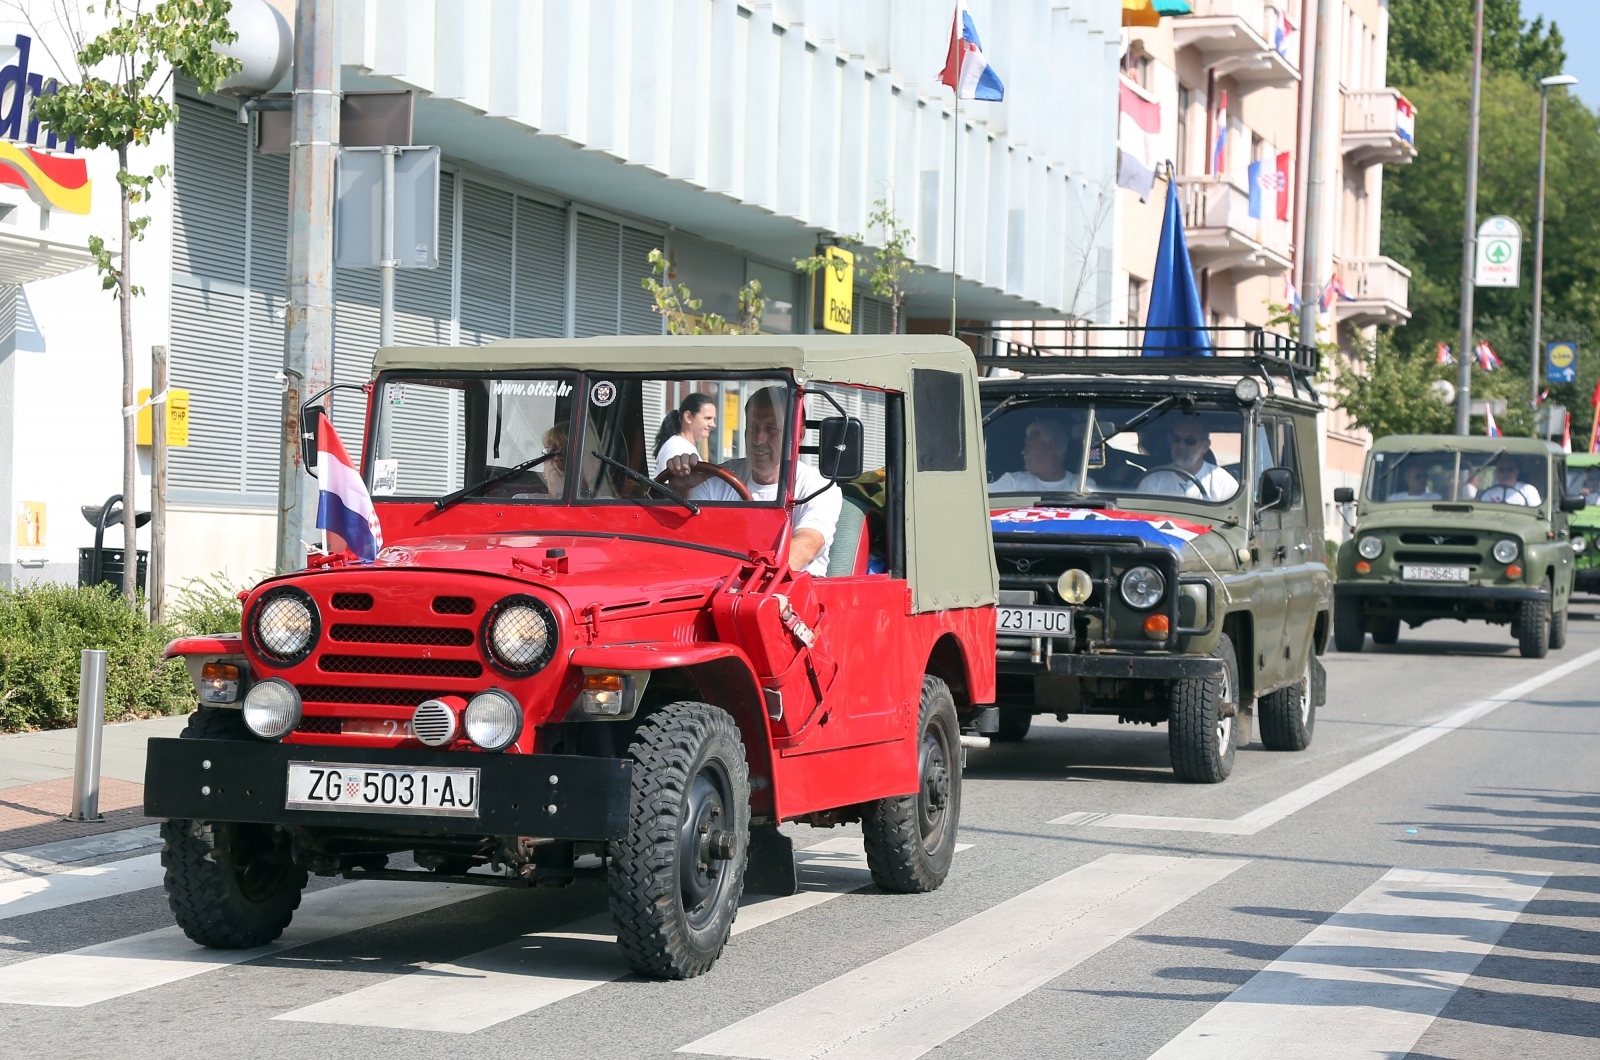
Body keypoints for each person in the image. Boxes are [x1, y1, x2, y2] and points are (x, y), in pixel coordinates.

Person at [662, 387, 842, 575]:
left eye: (771, 428)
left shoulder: (818, 487)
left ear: (798, 435)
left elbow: (807, 545)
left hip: (793, 592)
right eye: (753, 427)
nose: (758, 439)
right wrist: (681, 491)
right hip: (720, 587)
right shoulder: (720, 476)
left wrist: (752, 580)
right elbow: (688, 540)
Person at [1139, 415, 1238, 500]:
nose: (1181, 446)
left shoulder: (1224, 484)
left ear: (1205, 446)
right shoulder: (1152, 481)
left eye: (1190, 441)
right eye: (1176, 439)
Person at [989, 419, 1095, 493]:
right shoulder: (1013, 482)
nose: (1023, 451)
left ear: (1050, 447)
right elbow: (978, 496)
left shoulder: (1080, 485)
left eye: (1029, 445)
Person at [654, 392, 717, 470]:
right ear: (688, 417)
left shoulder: (681, 446)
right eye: (707, 418)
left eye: (713, 419)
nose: (713, 424)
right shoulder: (677, 447)